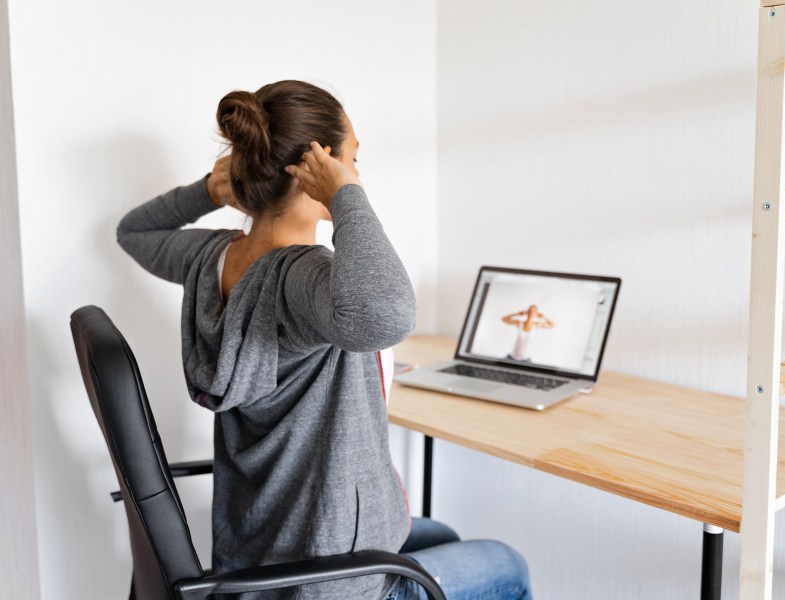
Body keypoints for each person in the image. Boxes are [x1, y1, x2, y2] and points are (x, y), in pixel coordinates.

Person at [117, 80, 532, 600]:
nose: (357, 174)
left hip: (260, 547)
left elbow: (133, 232)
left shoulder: (212, 260)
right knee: (506, 564)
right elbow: (385, 315)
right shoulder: (303, 279)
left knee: (440, 536)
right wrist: (345, 198)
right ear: (317, 171)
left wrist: (206, 191)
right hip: (328, 576)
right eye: (352, 160)